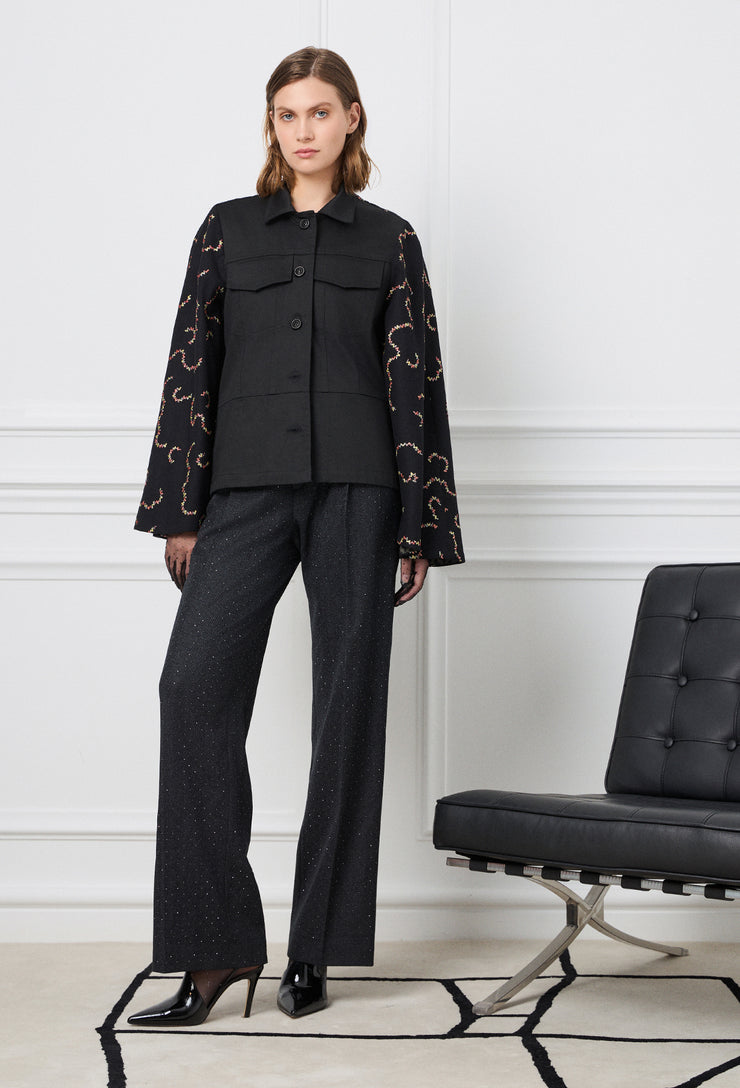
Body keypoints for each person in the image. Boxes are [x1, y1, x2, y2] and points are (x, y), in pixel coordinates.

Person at [127, 45, 464, 1028]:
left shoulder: (390, 240)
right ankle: (214, 946)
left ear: (351, 118)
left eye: (320, 111)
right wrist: (181, 509)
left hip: (361, 491)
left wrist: (418, 522)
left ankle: (316, 947)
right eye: (287, 114)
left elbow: (416, 382)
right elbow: (190, 366)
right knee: (191, 688)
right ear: (272, 126)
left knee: (346, 711)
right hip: (242, 491)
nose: (303, 129)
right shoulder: (227, 230)